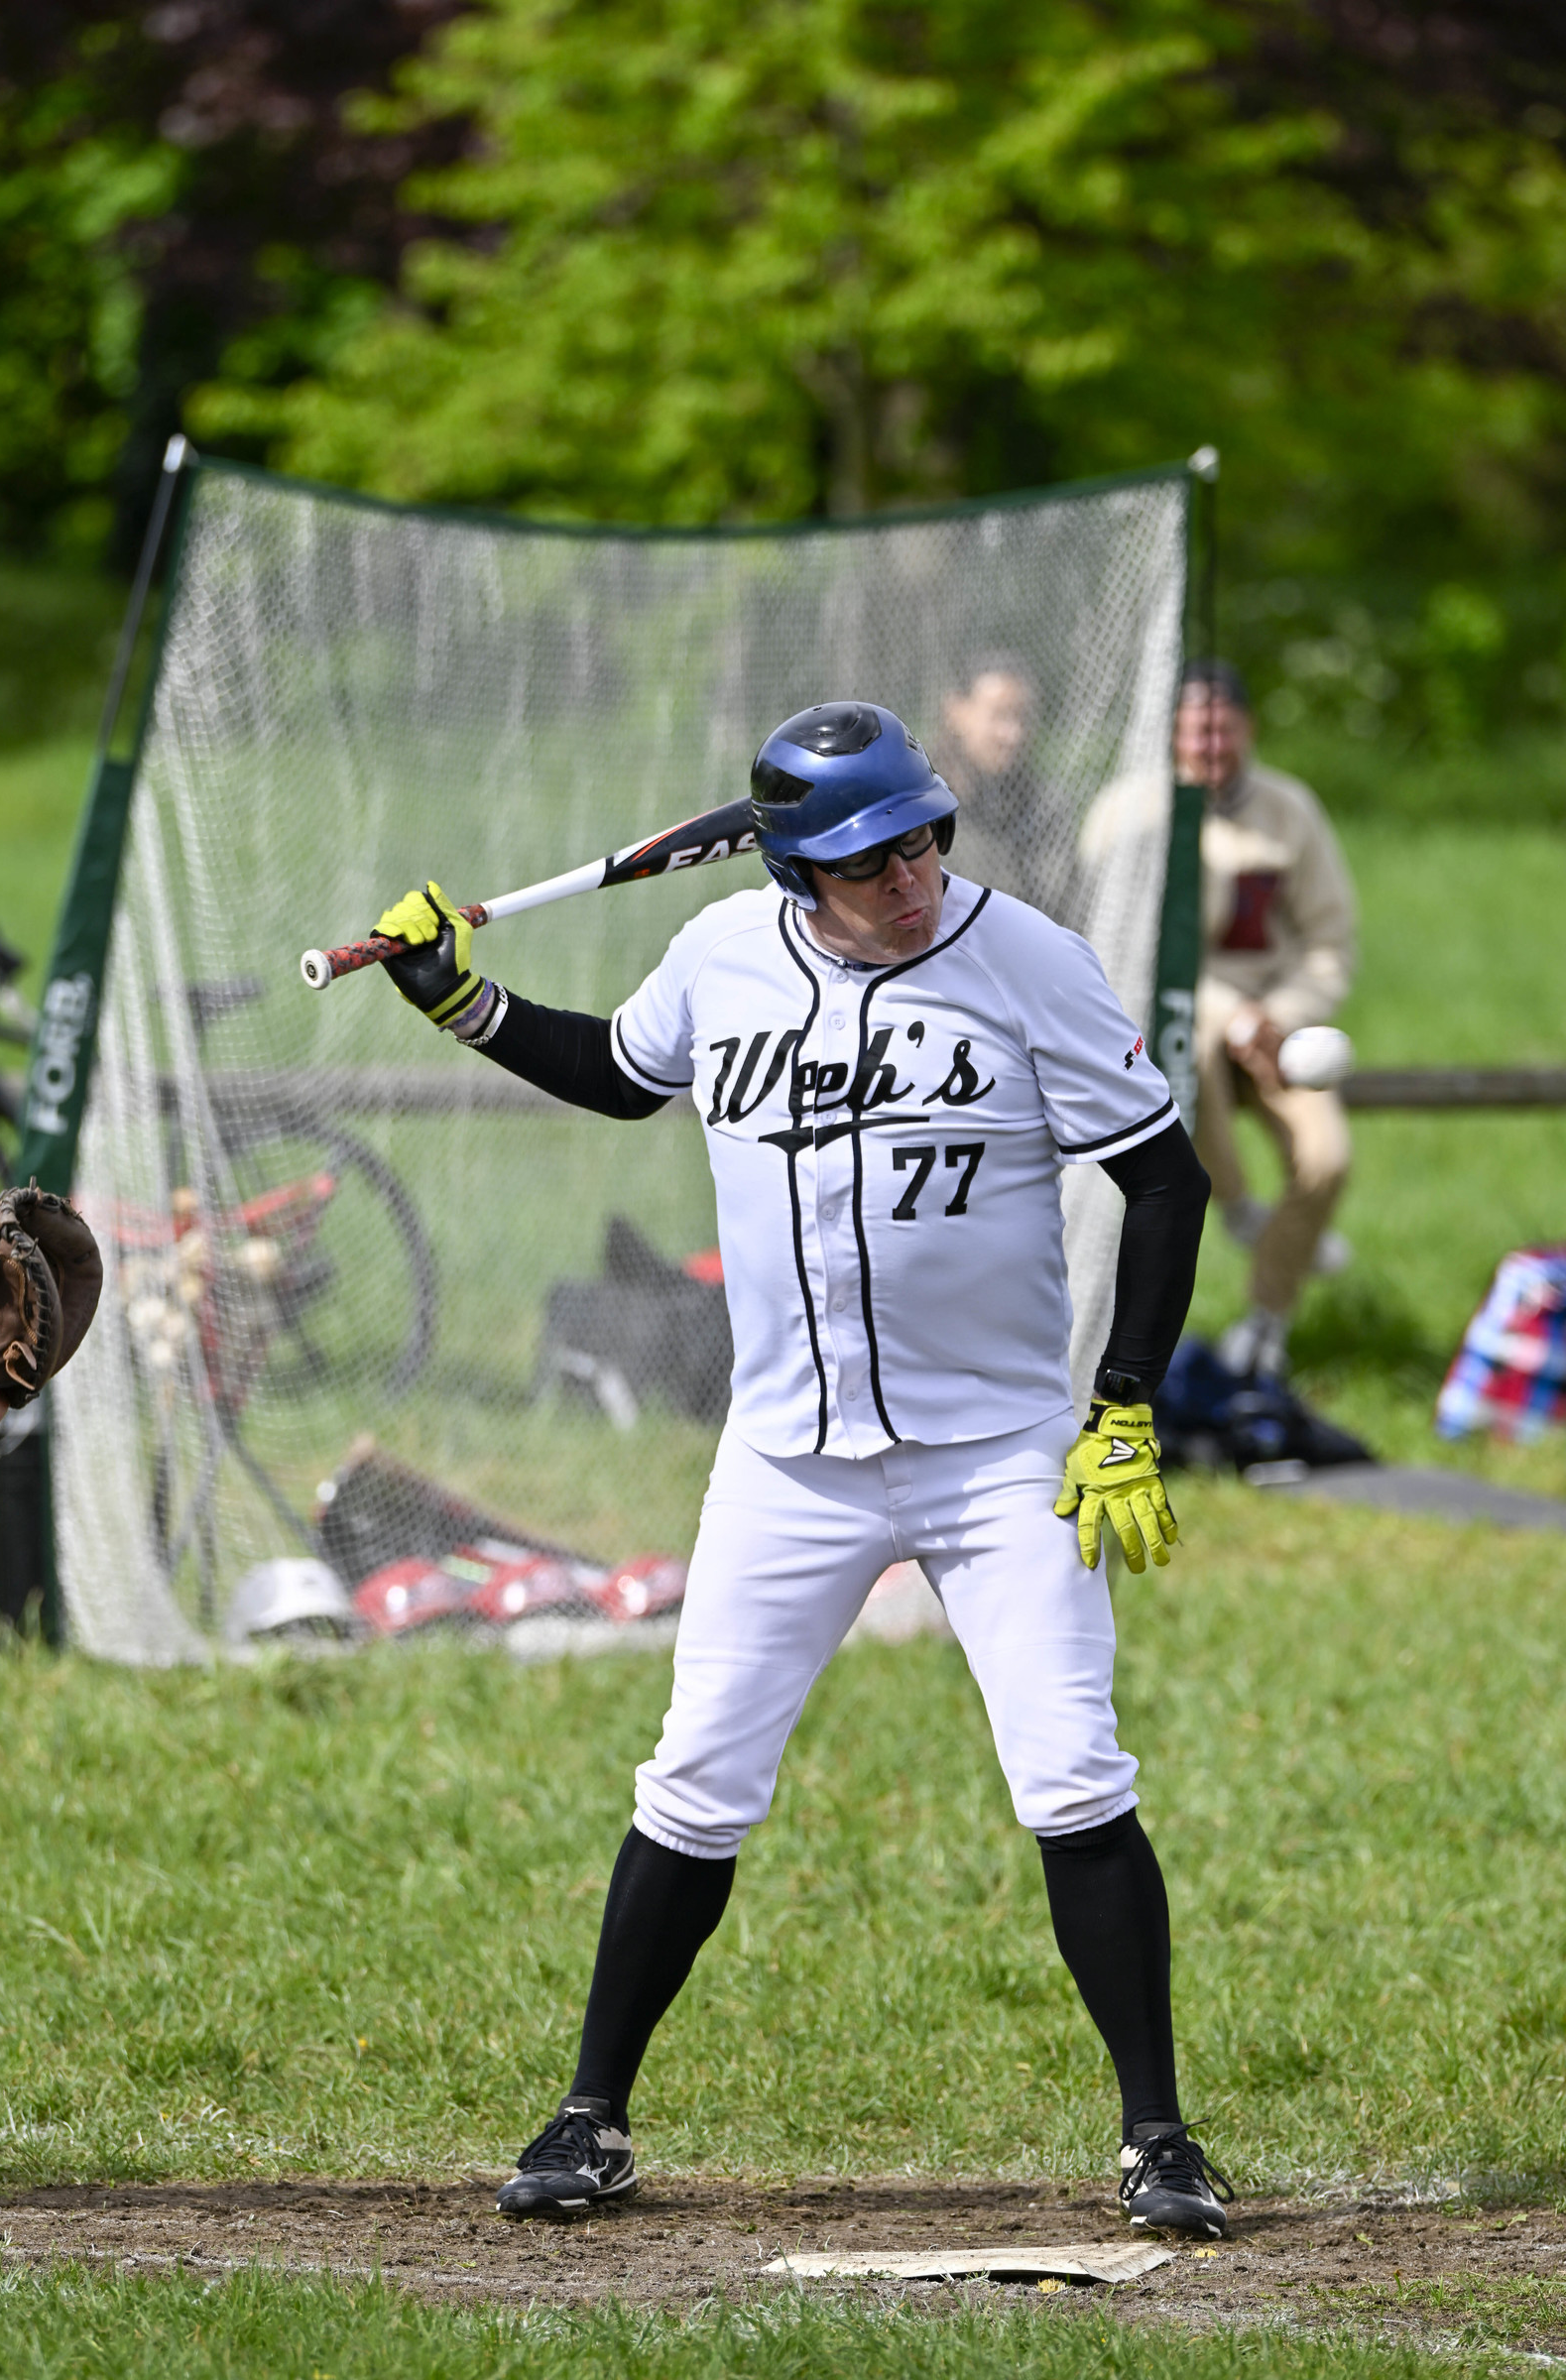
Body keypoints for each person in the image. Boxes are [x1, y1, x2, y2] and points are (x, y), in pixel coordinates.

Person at [373, 698, 1230, 2237]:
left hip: (995, 1456)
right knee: (694, 1784)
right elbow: (629, 1074)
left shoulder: (1026, 958)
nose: (905, 876)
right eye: (862, 859)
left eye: (919, 841)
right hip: (787, 1464)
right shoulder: (721, 956)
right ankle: (588, 2119)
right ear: (791, 870)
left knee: (1075, 1777)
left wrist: (1122, 1407)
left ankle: (1159, 2136)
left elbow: (1163, 1176)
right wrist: (463, 1005)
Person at [1173, 662, 1356, 1380]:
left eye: (1223, 726)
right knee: (1193, 1049)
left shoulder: (1290, 810)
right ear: (1171, 733)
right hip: (1179, 1025)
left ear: (1246, 728)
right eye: (1195, 728)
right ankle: (1239, 1203)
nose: (1210, 742)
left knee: (1326, 1159)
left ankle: (1266, 1323)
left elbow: (1330, 943)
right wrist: (1226, 1018)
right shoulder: (1138, 811)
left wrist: (1276, 1018)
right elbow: (1118, 945)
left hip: (1278, 1031)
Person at [934, 654, 1070, 918]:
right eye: (999, 716)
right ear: (956, 712)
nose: (1013, 734)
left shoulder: (1044, 808)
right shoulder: (921, 802)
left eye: (1023, 718)